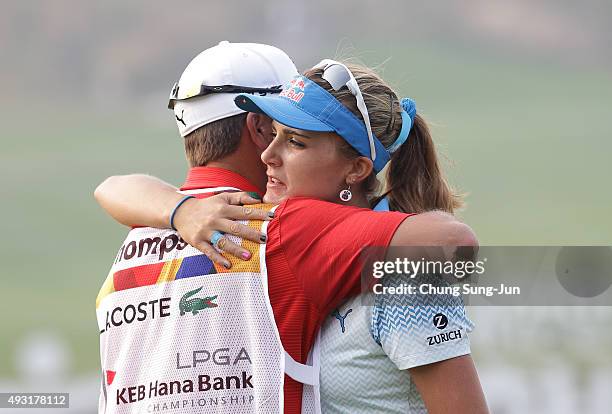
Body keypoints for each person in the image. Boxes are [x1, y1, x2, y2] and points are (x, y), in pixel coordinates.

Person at [95, 50, 486, 413]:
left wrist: (180, 210)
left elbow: (109, 186)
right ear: (256, 128)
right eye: (274, 132)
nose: (270, 155)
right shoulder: (269, 227)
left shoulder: (137, 241)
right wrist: (182, 211)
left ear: (357, 169)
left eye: (295, 140)